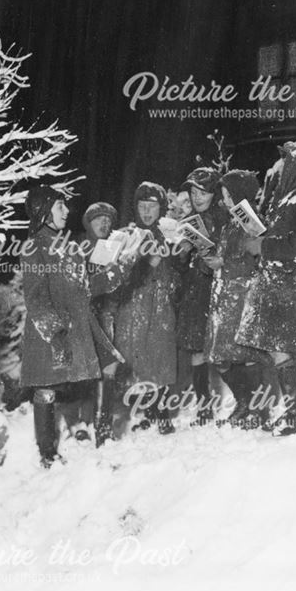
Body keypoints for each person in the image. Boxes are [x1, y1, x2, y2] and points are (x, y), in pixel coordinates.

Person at [20, 186, 128, 467]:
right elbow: (35, 297)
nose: (67, 211)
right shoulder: (34, 247)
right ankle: (47, 454)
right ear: (43, 212)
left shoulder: (67, 244)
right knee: (46, 389)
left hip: (79, 326)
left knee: (108, 366)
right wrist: (55, 333)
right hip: (51, 334)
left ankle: (103, 432)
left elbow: (84, 288)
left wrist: (118, 271)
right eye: (60, 207)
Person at [236, 143, 296, 436]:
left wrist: (262, 245)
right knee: (283, 352)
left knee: (281, 351)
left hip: (293, 288)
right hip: (282, 286)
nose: (280, 169)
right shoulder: (287, 201)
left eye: (286, 163)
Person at [202, 169, 269, 429]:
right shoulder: (231, 220)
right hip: (224, 295)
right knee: (221, 355)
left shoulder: (248, 218)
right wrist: (211, 260)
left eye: (229, 194)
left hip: (243, 295)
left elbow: (256, 257)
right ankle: (246, 404)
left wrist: (223, 264)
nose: (225, 199)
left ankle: (254, 410)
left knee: (244, 354)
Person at [114, 182, 180, 434]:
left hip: (161, 304)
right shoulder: (127, 235)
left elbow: (179, 268)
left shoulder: (170, 234)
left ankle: (162, 414)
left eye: (152, 206)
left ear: (161, 208)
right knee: (136, 358)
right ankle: (145, 411)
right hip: (134, 306)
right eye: (142, 206)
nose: (147, 211)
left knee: (160, 357)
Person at [174, 167, 226, 425]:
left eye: (203, 192)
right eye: (194, 192)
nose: (197, 197)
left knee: (225, 348)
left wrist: (209, 252)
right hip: (195, 291)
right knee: (196, 348)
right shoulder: (188, 222)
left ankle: (249, 404)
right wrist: (182, 253)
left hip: (219, 289)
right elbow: (181, 263)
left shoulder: (224, 216)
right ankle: (204, 407)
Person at [77, 201, 128, 447]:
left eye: (107, 220)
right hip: (85, 318)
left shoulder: (112, 248)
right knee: (88, 372)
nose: (103, 224)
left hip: (107, 315)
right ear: (88, 223)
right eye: (98, 219)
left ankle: (104, 426)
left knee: (109, 370)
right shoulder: (78, 248)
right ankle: (84, 422)